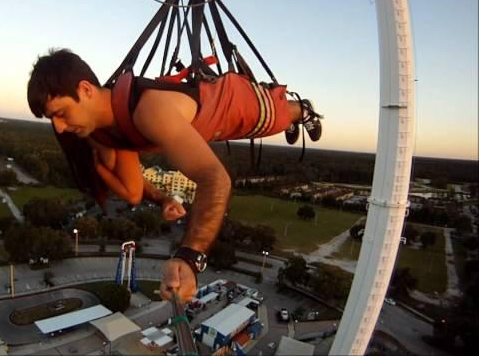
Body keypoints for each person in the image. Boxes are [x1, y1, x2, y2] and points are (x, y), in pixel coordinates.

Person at [27, 48, 322, 302]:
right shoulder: (102, 130)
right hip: (201, 126)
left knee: (274, 115)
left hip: (226, 105)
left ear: (86, 89)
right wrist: (162, 198)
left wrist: (190, 257)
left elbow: (215, 179)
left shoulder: (149, 111)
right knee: (271, 117)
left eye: (61, 113)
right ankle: (294, 113)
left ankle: (304, 111)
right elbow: (133, 188)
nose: (59, 128)